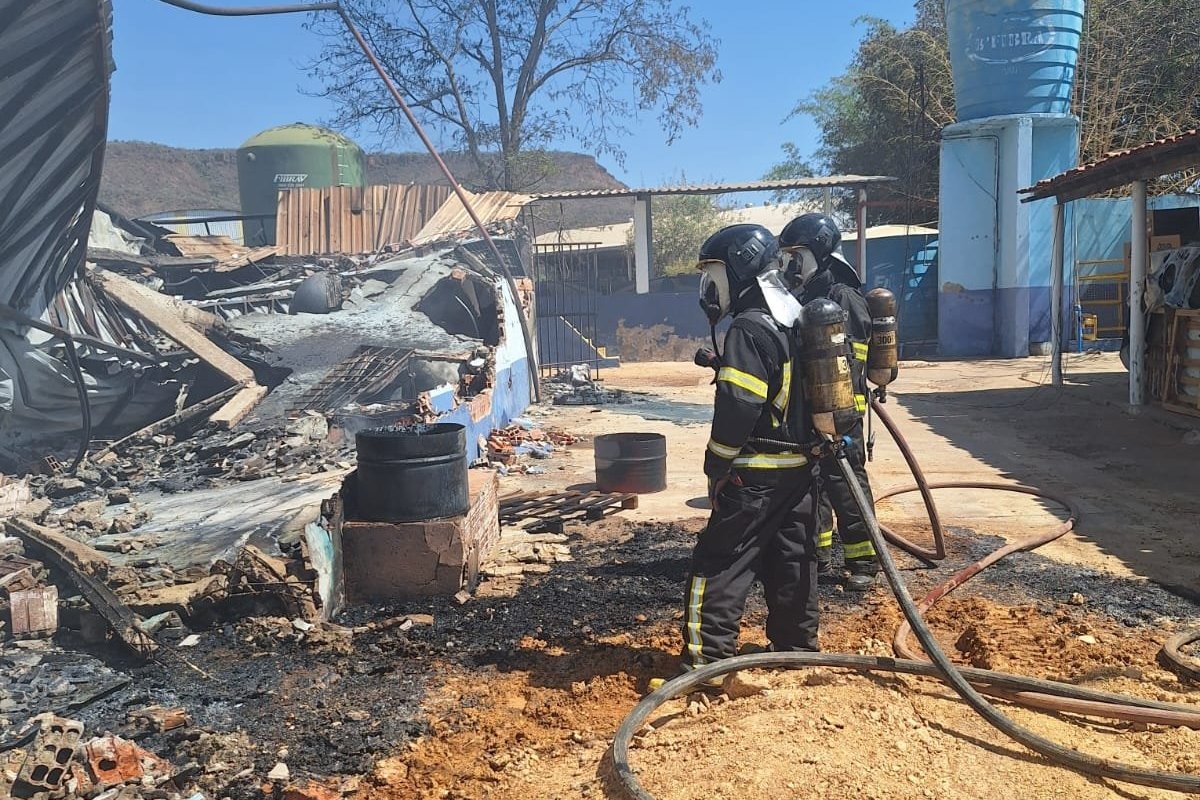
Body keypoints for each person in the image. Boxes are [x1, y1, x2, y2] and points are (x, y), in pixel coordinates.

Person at [678, 223, 821, 681]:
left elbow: (741, 405)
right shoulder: (795, 320)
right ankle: (796, 650)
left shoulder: (747, 327)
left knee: (719, 562)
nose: (709, 287)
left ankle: (708, 663)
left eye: (713, 273)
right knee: (793, 561)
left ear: (737, 269)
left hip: (755, 473)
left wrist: (717, 466)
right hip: (800, 472)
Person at [778, 213, 878, 591]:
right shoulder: (814, 295)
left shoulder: (843, 297)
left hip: (841, 413)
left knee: (846, 486)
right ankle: (817, 557)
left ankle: (864, 561)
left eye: (796, 256)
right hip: (814, 412)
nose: (791, 266)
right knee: (814, 485)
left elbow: (846, 366)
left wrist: (835, 415)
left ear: (817, 252)